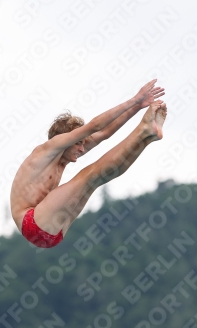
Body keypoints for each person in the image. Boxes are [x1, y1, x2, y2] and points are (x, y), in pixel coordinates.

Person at [10, 79, 166, 248]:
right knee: (90, 174)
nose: (82, 149)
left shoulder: (62, 158)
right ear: (66, 138)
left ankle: (146, 137)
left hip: (52, 232)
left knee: (99, 178)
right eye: (78, 143)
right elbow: (94, 126)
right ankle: (143, 130)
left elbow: (105, 132)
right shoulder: (47, 150)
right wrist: (134, 99)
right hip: (32, 224)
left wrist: (138, 106)